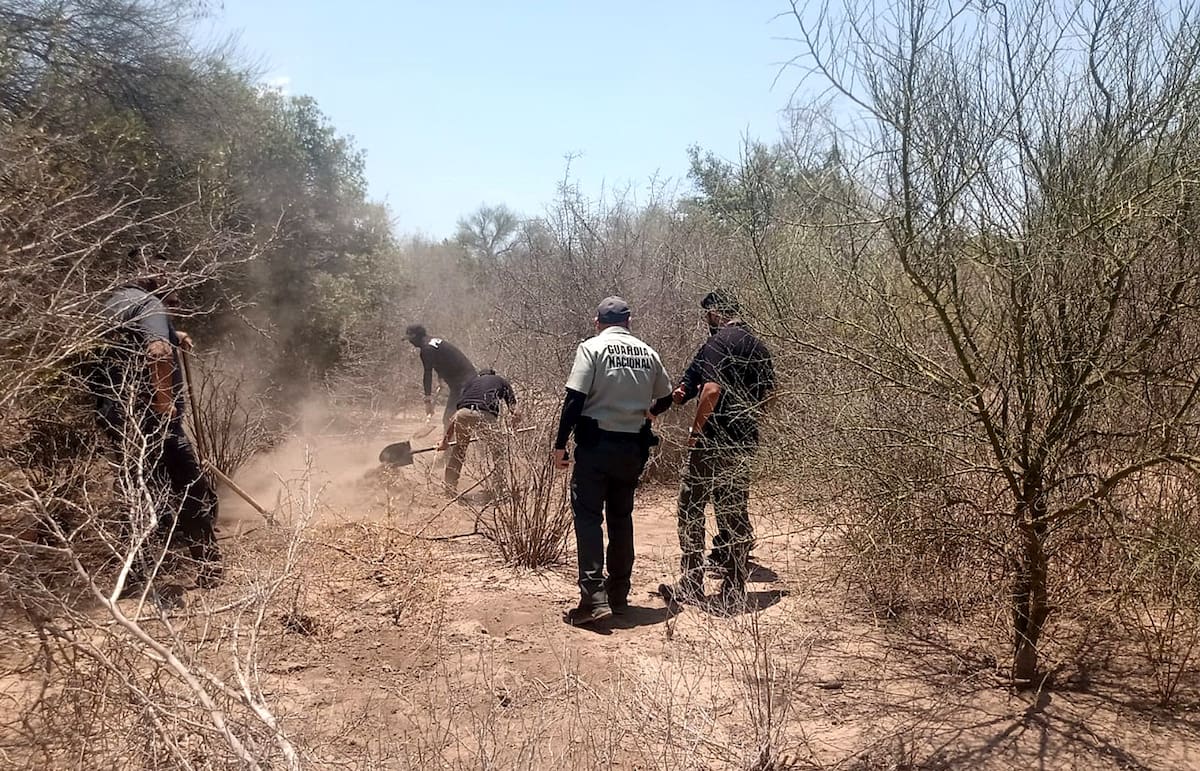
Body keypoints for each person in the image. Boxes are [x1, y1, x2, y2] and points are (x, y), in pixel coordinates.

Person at [92, 261, 221, 588]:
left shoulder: (114, 303)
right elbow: (157, 351)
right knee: (190, 485)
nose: (173, 291)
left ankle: (135, 575)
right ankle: (207, 566)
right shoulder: (151, 304)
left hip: (118, 418)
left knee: (136, 489)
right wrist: (165, 405)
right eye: (170, 283)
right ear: (157, 284)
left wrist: (172, 334)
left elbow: (131, 340)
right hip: (154, 421)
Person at [553, 296, 673, 625]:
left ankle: (593, 598)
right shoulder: (648, 353)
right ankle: (618, 592)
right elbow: (665, 396)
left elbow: (574, 399)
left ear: (598, 323)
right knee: (622, 518)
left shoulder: (591, 348)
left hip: (596, 446)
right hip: (633, 449)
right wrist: (651, 413)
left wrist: (560, 445)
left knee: (589, 518)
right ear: (629, 323)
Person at [659, 290, 775, 609]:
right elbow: (771, 395)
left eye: (708, 315)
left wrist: (696, 432)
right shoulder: (758, 346)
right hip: (743, 443)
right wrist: (749, 422)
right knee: (733, 512)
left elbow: (711, 390)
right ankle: (735, 586)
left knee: (691, 509)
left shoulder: (718, 343)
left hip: (713, 443)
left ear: (715, 314)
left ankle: (692, 583)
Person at [440, 368, 521, 498]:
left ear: (480, 375)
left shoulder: (471, 382)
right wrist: (513, 429)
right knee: (499, 453)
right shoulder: (501, 381)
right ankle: (498, 490)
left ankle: (449, 489)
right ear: (493, 375)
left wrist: (445, 441)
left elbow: (456, 416)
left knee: (459, 451)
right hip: (486, 415)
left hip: (463, 414)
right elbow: (516, 413)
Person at [405, 325, 477, 432]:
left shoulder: (426, 349)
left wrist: (428, 400)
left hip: (463, 383)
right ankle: (452, 444)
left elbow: (427, 373)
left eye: (409, 339)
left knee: (450, 418)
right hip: (467, 379)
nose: (409, 342)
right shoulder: (433, 342)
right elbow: (443, 359)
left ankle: (450, 446)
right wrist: (440, 380)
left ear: (415, 336)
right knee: (454, 417)